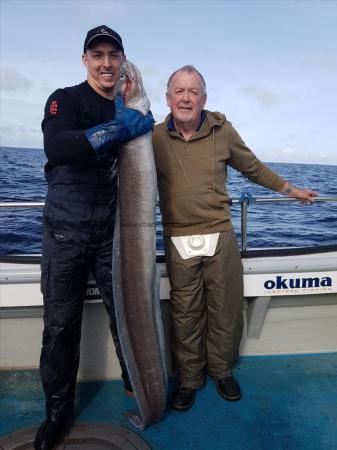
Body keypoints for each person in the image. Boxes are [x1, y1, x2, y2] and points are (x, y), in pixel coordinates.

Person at [152, 65, 317, 412]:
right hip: (178, 237)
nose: (185, 98)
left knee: (226, 309)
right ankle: (188, 379)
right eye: (179, 91)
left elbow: (252, 167)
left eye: (193, 91)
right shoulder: (152, 137)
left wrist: (290, 190)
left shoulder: (222, 130)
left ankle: (222, 370)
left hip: (220, 233)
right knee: (185, 312)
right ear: (167, 98)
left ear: (204, 98)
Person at [34, 26, 154, 450]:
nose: (106, 63)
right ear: (85, 59)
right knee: (61, 325)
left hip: (113, 232)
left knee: (126, 310)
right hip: (65, 231)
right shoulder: (64, 99)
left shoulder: (130, 109)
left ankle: (133, 384)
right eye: (97, 54)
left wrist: (137, 125)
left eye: (113, 55)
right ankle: (57, 411)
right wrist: (117, 130)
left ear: (122, 61)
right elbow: (58, 148)